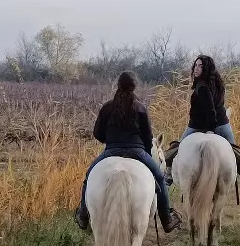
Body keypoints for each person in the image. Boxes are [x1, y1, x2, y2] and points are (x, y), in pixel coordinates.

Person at [74, 71, 182, 232]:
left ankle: (83, 216)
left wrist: (109, 140)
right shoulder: (141, 108)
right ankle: (166, 219)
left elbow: (97, 133)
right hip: (137, 151)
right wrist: (144, 151)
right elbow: (148, 136)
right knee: (159, 178)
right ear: (134, 87)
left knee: (88, 177)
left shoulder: (107, 107)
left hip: (111, 151)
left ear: (118, 85)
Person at [173, 54, 240, 194]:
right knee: (235, 151)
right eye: (196, 65)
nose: (196, 68)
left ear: (206, 68)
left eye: (200, 66)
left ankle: (168, 177)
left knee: (176, 148)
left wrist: (211, 130)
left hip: (199, 126)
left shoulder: (202, 86)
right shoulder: (218, 83)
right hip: (222, 123)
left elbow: (210, 109)